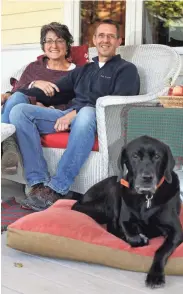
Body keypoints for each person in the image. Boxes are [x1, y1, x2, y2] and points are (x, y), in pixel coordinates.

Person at [9, 19, 140, 211]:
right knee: (20, 111)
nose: (105, 40)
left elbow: (119, 103)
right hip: (72, 117)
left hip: (100, 120)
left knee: (86, 112)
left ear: (119, 41)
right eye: (101, 35)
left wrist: (75, 113)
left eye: (111, 36)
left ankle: (57, 188)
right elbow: (54, 90)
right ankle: (38, 183)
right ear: (94, 40)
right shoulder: (84, 70)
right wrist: (25, 88)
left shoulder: (126, 69)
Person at [1, 22, 75, 174]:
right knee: (16, 99)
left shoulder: (78, 72)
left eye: (59, 40)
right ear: (43, 45)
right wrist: (35, 83)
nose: (53, 45)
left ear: (67, 44)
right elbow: (16, 91)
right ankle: (9, 146)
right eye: (48, 40)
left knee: (18, 105)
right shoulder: (34, 67)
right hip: (23, 110)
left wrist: (49, 108)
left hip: (57, 116)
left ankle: (6, 145)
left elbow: (79, 102)